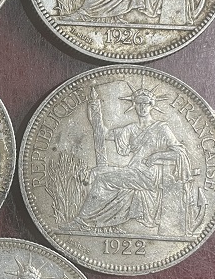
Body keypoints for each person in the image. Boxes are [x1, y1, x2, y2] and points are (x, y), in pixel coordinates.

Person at [75, 87, 193, 231]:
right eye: (139, 103)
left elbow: (180, 153)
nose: (142, 107)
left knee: (102, 179)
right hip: (133, 172)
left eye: (146, 103)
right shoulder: (131, 129)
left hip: (149, 176)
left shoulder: (161, 128)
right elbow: (105, 134)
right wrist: (94, 110)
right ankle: (100, 222)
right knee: (96, 171)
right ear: (134, 105)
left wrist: (157, 155)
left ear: (152, 105)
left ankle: (84, 219)